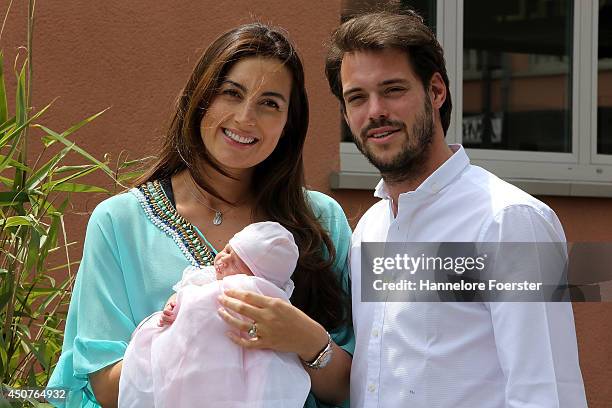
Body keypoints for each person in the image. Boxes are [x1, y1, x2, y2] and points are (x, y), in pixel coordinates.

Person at [48, 23, 353, 408]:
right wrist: (193, 327)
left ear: (289, 124)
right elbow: (105, 388)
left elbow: (352, 386)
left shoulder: (321, 221)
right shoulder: (119, 223)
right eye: (231, 93)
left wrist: (305, 338)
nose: (245, 118)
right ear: (200, 99)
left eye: (270, 103)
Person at [325, 10, 587, 408]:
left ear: (436, 92)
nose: (374, 110)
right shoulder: (371, 230)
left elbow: (546, 391)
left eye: (393, 89)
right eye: (357, 97)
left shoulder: (509, 220)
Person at [119, 222, 311, 408]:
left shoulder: (258, 295)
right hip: (191, 354)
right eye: (227, 250)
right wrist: (173, 305)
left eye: (236, 263)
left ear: (256, 279)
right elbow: (184, 292)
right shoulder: (206, 276)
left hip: (235, 363)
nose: (223, 260)